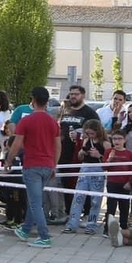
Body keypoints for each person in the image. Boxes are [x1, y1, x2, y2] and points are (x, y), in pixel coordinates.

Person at [5, 86, 59, 248]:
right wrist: (54, 166)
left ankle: (44, 236)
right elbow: (58, 146)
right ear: (46, 101)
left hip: (32, 166)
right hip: (47, 166)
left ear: (33, 100)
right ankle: (25, 230)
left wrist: (8, 161)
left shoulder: (26, 121)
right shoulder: (52, 121)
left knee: (35, 203)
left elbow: (17, 144)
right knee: (34, 200)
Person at [55, 85, 100, 222]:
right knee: (64, 183)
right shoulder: (66, 111)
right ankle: (68, 212)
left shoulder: (90, 113)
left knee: (81, 184)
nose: (73, 96)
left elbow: (98, 133)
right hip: (63, 154)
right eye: (71, 94)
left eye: (76, 94)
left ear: (83, 95)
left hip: (80, 155)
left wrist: (80, 135)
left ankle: (86, 213)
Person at [64, 120, 108, 235]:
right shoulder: (87, 140)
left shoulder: (105, 143)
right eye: (87, 133)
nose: (89, 136)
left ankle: (91, 225)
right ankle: (72, 224)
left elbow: (108, 162)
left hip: (97, 171)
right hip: (85, 169)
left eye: (92, 133)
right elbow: (80, 156)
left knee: (95, 200)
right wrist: (82, 152)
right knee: (78, 197)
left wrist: (99, 155)